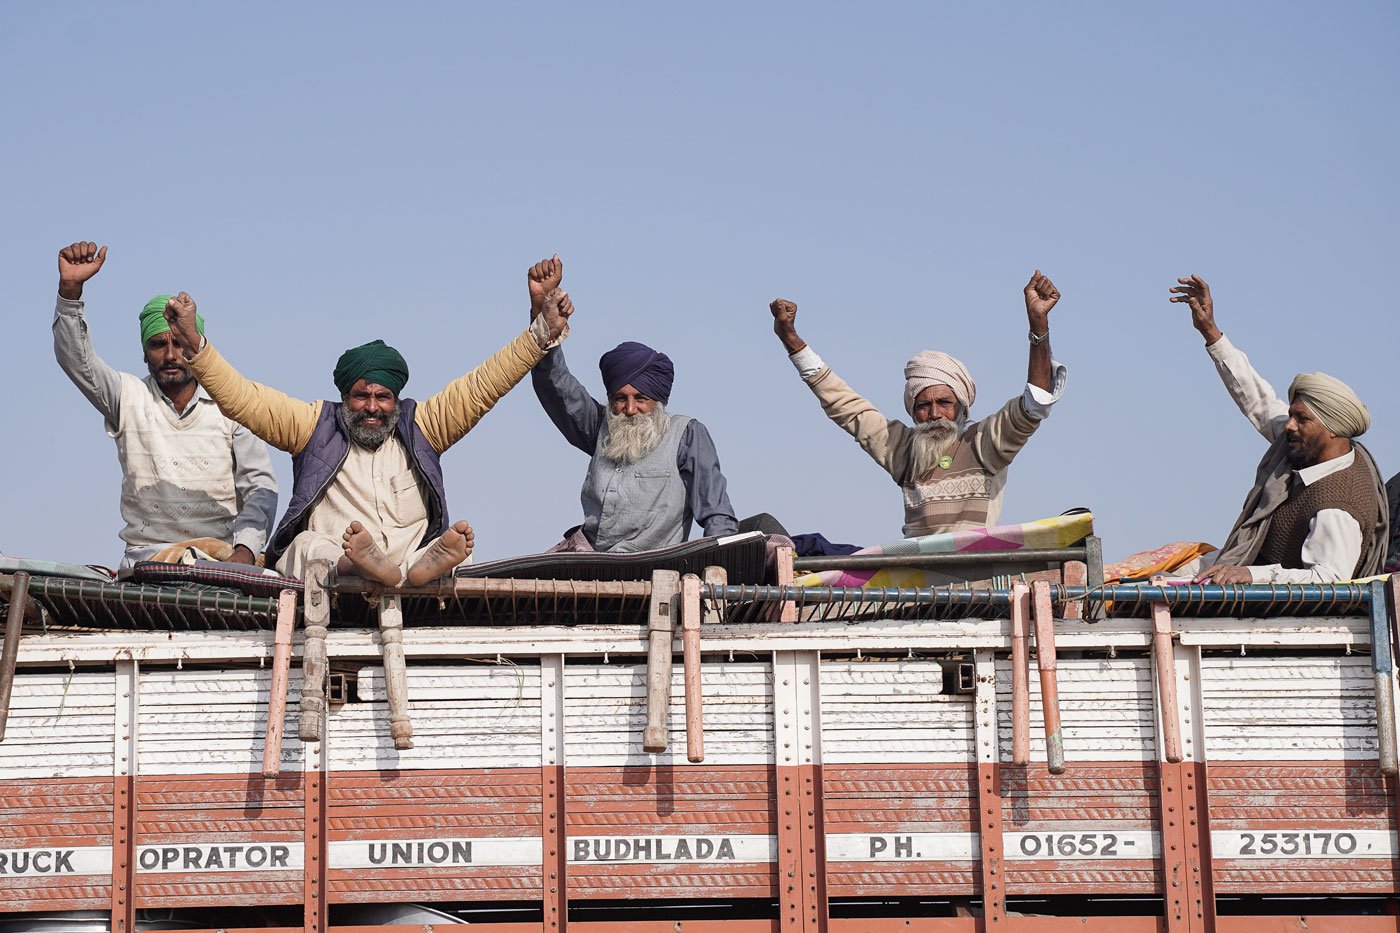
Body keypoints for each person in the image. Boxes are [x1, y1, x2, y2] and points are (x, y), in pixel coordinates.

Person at [159, 283, 574, 584]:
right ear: (345, 396)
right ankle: (358, 564)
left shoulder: (424, 426)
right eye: (361, 396)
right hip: (342, 560)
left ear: (396, 399)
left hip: (408, 560)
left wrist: (541, 333)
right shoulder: (312, 426)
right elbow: (244, 399)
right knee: (305, 548)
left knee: (456, 553)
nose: (372, 407)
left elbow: (486, 383)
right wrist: (194, 344)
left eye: (383, 397)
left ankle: (426, 565)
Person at [768, 271, 1068, 537]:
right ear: (912, 410)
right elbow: (845, 405)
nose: (935, 414)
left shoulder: (983, 442)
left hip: (974, 586)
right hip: (916, 586)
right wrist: (791, 339)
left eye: (944, 402)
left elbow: (1035, 404)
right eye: (923, 405)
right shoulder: (903, 449)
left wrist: (1038, 326)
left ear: (962, 406)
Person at [51, 241, 277, 568]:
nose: (171, 356)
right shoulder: (127, 396)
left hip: (219, 559)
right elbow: (76, 361)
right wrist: (70, 292)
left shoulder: (231, 404)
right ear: (145, 352)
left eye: (180, 343)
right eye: (158, 345)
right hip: (147, 562)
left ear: (196, 345)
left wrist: (242, 555)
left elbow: (260, 487)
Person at [1169, 274, 1388, 584]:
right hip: (1245, 565)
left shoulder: (1338, 503)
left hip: (1276, 608)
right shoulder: (1308, 449)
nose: (1288, 425)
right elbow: (1257, 400)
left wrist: (1248, 574)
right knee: (1164, 569)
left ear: (1333, 429)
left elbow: (1328, 579)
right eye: (1291, 415)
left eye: (1301, 419)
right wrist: (1211, 332)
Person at [527, 256, 739, 551]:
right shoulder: (601, 426)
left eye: (641, 399)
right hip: (590, 566)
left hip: (652, 573)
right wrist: (541, 313)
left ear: (658, 400)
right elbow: (554, 383)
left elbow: (717, 514)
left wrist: (719, 568)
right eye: (619, 399)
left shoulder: (687, 435)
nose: (629, 409)